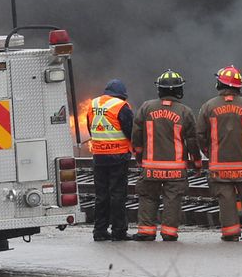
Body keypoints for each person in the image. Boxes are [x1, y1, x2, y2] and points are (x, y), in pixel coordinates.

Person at [197, 65, 242, 241]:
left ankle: (231, 234)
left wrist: (209, 153)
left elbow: (200, 135)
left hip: (219, 166)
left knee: (226, 200)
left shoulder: (208, 107)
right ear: (238, 86)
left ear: (219, 84)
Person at [130, 69, 201, 242]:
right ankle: (169, 232)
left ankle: (146, 232)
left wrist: (139, 157)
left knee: (148, 197)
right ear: (179, 90)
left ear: (160, 89)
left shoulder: (146, 107)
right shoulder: (185, 111)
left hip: (151, 167)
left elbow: (137, 135)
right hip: (175, 169)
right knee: (173, 200)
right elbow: (192, 140)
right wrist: (197, 161)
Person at [86, 78, 133, 242]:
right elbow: (130, 130)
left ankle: (99, 231)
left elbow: (90, 126)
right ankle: (118, 231)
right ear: (122, 94)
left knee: (101, 195)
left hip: (99, 156)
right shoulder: (121, 106)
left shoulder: (94, 103)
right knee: (117, 194)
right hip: (118, 157)